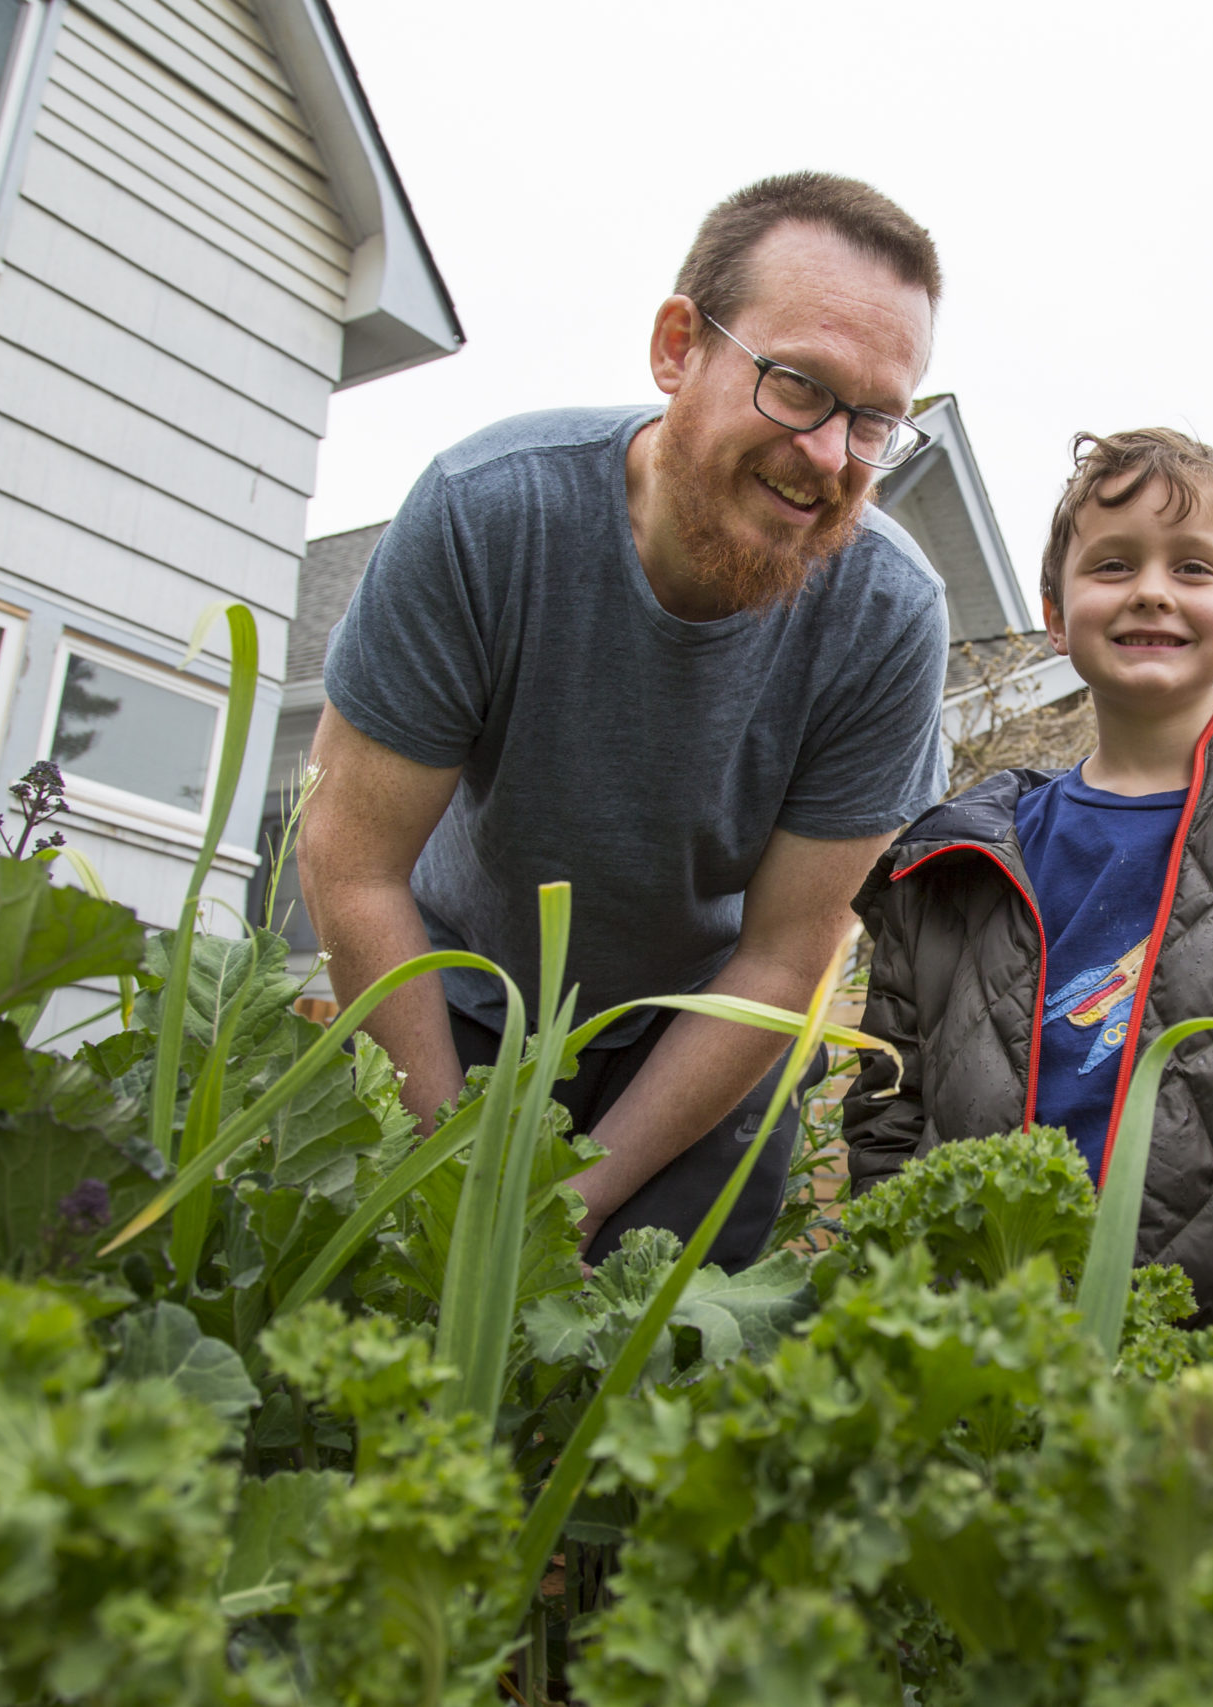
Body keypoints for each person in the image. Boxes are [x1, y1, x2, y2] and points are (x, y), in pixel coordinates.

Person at [300, 173, 952, 1269]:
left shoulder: (888, 615)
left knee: (653, 1350)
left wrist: (577, 1198)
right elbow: (351, 864)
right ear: (677, 348)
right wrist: (453, 1176)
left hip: (703, 1033)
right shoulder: (488, 513)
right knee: (403, 1305)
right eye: (799, 386)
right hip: (455, 989)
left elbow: (785, 956)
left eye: (875, 417)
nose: (831, 455)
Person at [843, 429, 1213, 1366]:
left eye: (1193, 566)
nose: (1152, 590)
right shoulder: (952, 858)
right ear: (1055, 614)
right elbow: (889, 1110)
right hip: (977, 1355)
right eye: (1113, 564)